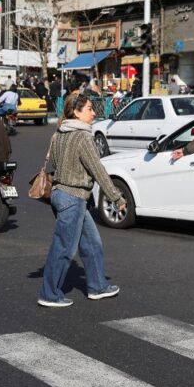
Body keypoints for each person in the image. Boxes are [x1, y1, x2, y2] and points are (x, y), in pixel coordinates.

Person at [37, 93, 125, 308]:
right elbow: (98, 169)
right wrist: (116, 197)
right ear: (76, 112)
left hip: (62, 195)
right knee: (64, 248)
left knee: (92, 243)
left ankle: (97, 286)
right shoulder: (83, 137)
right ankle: (49, 294)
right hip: (73, 197)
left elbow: (56, 165)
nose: (94, 112)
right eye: (89, 109)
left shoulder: (59, 133)